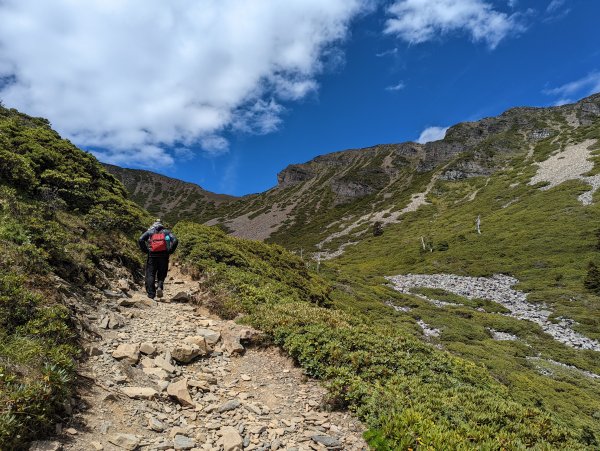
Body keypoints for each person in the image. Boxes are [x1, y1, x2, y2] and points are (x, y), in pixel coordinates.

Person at [138, 219, 178, 299]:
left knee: (151, 274)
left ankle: (151, 294)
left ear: (154, 225)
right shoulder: (166, 232)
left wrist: (146, 250)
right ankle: (160, 286)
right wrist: (170, 251)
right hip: (164, 255)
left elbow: (141, 239)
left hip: (152, 255)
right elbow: (175, 240)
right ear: (161, 225)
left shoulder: (150, 232)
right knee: (162, 272)